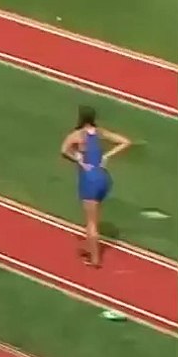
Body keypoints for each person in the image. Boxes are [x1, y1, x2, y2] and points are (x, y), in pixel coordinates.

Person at [61, 106, 131, 268]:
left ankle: (95, 259)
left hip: (89, 179)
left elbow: (64, 150)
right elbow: (125, 142)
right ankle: (89, 247)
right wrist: (106, 156)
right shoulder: (99, 132)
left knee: (91, 223)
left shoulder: (77, 135)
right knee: (94, 215)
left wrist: (78, 159)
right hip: (103, 178)